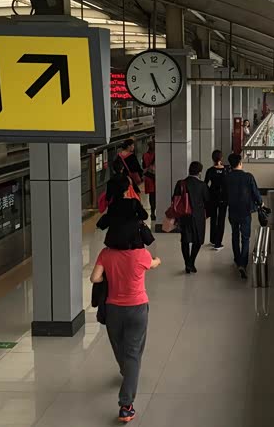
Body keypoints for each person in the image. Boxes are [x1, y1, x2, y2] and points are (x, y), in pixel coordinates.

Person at [90, 229, 161, 423]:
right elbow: (153, 264)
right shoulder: (141, 254)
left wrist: (108, 277)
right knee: (133, 353)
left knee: (118, 345)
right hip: (137, 309)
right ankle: (126, 405)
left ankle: (126, 371)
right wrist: (158, 260)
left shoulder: (106, 254)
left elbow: (95, 278)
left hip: (113, 309)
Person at [226, 153, 262, 279]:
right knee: (245, 237)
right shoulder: (248, 177)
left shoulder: (227, 177)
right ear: (240, 163)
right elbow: (255, 193)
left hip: (232, 211)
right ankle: (243, 263)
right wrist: (261, 203)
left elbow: (224, 194)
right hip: (245, 211)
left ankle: (237, 260)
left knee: (235, 235)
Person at [174, 161, 209, 273]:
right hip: (198, 216)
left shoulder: (180, 183)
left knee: (185, 240)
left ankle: (187, 263)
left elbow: (175, 199)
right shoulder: (202, 185)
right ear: (199, 172)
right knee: (197, 240)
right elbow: (207, 201)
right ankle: (191, 262)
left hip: (184, 215)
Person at [98, 175, 149, 250]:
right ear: (127, 189)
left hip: (114, 242)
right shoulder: (134, 203)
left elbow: (106, 222)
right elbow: (145, 216)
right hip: (133, 241)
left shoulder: (112, 205)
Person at [204, 150, 229, 251]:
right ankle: (218, 243)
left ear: (212, 158)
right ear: (221, 158)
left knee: (213, 218)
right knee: (221, 219)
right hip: (223, 197)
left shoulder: (210, 170)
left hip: (212, 196)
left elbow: (205, 184)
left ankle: (213, 239)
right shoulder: (226, 170)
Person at [142, 140, 156, 220]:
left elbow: (143, 166)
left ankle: (152, 212)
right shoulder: (157, 154)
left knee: (151, 195)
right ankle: (156, 211)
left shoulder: (145, 155)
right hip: (156, 176)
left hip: (148, 177)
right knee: (157, 195)